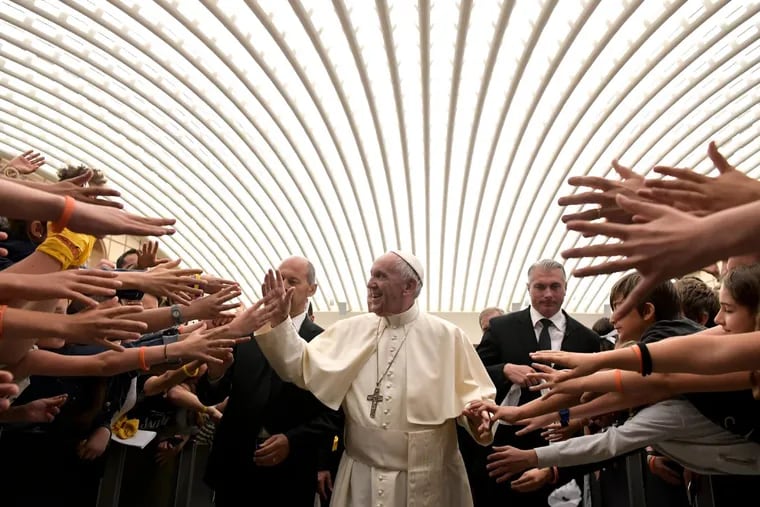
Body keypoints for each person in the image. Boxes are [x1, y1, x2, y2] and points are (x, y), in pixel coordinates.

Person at [254, 251, 496, 507]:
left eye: (381, 276)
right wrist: (280, 321)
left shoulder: (447, 336)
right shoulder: (350, 330)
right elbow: (299, 365)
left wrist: (478, 418)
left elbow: (475, 396)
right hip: (361, 476)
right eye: (371, 275)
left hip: (428, 478)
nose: (371, 283)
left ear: (409, 286)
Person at [199, 256, 342, 507]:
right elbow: (210, 396)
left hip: (290, 471)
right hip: (235, 468)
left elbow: (333, 413)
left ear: (312, 289)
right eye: (279, 278)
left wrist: (292, 440)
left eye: (292, 281)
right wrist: (215, 374)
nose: (282, 286)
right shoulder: (247, 330)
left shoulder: (325, 343)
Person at [476, 259, 600, 506]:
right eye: (540, 287)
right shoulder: (501, 328)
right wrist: (504, 370)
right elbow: (474, 373)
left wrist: (574, 421)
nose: (548, 294)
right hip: (506, 443)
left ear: (565, 288)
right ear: (528, 288)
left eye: (555, 286)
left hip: (558, 444)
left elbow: (592, 394)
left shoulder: (587, 339)